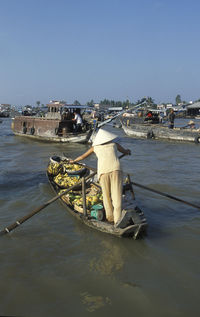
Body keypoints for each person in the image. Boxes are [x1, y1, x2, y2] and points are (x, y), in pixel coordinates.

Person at [69, 128, 131, 226]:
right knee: (117, 197)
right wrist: (128, 151)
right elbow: (125, 151)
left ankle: (110, 218)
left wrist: (73, 161)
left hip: (103, 172)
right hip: (116, 170)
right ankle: (118, 220)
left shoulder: (95, 147)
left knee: (106, 196)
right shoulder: (114, 145)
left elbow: (82, 157)